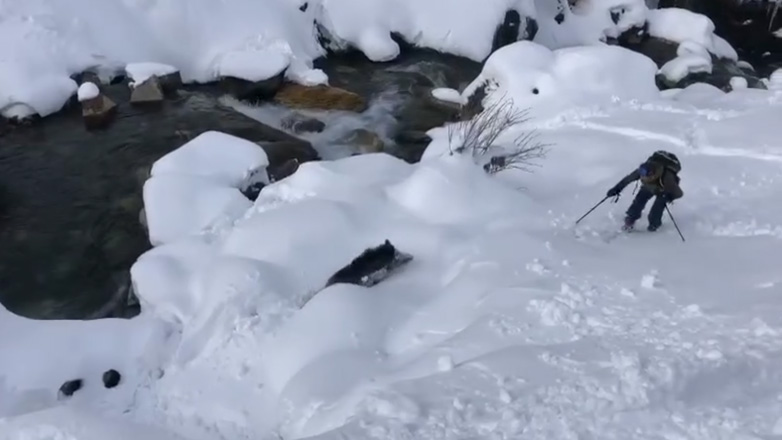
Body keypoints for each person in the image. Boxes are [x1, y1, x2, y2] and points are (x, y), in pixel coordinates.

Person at [606, 150, 683, 231]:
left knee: (657, 208)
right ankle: (631, 218)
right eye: (641, 174)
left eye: (645, 175)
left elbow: (679, 193)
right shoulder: (641, 170)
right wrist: (616, 189)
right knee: (639, 200)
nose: (642, 177)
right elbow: (627, 180)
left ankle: (654, 226)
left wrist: (668, 197)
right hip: (649, 187)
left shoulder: (667, 177)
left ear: (652, 174)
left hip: (663, 190)